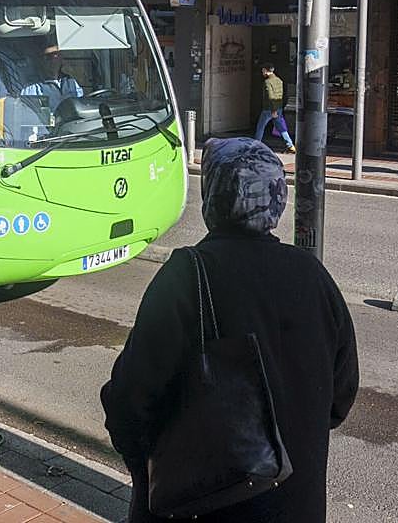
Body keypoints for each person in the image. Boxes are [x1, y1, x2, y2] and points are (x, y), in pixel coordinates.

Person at [102, 137, 359, 523]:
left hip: (201, 503)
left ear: (213, 197)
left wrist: (143, 464)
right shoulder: (313, 275)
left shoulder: (186, 275)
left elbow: (129, 400)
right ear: (277, 199)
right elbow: (340, 397)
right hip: (296, 505)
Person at [20, 43, 84, 111]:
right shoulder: (32, 86)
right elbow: (27, 111)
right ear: (42, 61)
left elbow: (81, 104)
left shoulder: (71, 82)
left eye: (56, 55)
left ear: (61, 59)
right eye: (48, 57)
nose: (53, 60)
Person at [255, 63, 295, 153]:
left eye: (263, 71)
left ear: (265, 70)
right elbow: (281, 95)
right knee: (280, 127)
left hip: (269, 109)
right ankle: (290, 145)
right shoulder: (279, 80)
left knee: (260, 127)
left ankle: (256, 145)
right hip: (278, 107)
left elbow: (270, 96)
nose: (262, 73)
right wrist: (279, 108)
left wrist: (273, 110)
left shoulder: (267, 82)